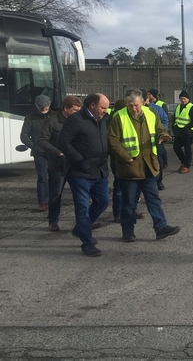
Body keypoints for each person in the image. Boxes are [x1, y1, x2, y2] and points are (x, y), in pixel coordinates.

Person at [108, 89, 180, 242]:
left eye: (137, 105)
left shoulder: (150, 113)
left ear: (142, 102)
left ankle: (161, 227)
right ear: (127, 104)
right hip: (129, 167)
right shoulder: (119, 117)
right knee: (129, 203)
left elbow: (160, 129)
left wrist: (163, 136)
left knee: (153, 199)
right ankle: (128, 231)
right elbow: (113, 140)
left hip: (149, 165)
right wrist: (125, 156)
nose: (134, 108)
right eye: (131, 105)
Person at [57, 93, 112, 256]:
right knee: (82, 208)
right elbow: (62, 142)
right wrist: (80, 160)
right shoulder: (75, 120)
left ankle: (80, 229)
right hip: (79, 172)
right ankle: (87, 243)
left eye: (107, 108)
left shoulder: (102, 119)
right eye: (103, 107)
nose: (105, 111)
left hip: (100, 170)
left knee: (103, 201)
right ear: (92, 105)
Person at [37, 95, 82, 231]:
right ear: (66, 108)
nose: (78, 112)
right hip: (58, 165)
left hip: (76, 165)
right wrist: (58, 153)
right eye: (75, 110)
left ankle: (84, 221)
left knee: (81, 195)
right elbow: (41, 140)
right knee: (55, 194)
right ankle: (53, 220)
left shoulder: (80, 121)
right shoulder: (53, 121)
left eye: (79, 109)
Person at [109, 98, 144, 223]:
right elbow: (112, 142)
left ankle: (131, 208)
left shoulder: (131, 119)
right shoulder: (115, 119)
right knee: (119, 187)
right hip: (119, 159)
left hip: (134, 158)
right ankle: (118, 212)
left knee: (135, 185)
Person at [20, 94, 56, 211]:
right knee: (42, 177)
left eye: (46, 107)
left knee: (55, 177)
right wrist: (34, 146)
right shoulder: (30, 118)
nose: (44, 109)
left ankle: (53, 199)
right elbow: (24, 136)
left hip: (53, 151)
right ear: (36, 106)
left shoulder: (55, 116)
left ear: (49, 105)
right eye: (41, 107)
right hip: (39, 152)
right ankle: (43, 202)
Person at [144, 92, 170, 190]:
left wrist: (162, 133)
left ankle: (159, 181)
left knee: (158, 160)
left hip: (155, 139)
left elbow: (164, 120)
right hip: (143, 142)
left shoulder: (156, 109)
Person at [172, 90, 193, 173]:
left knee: (187, 149)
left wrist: (186, 128)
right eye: (181, 99)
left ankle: (186, 166)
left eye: (184, 99)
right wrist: (174, 127)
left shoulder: (192, 107)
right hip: (179, 132)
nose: (183, 100)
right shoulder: (178, 107)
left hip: (188, 133)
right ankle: (183, 162)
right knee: (176, 147)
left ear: (188, 99)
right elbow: (174, 118)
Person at [148, 88, 170, 170]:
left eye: (149, 94)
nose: (148, 96)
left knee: (161, 149)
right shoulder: (148, 105)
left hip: (160, 129)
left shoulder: (161, 105)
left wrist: (164, 129)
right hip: (153, 131)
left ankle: (164, 162)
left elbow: (165, 117)